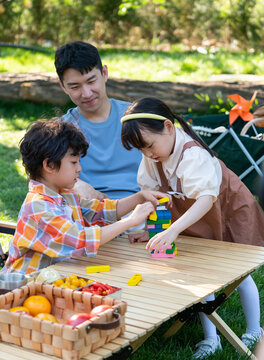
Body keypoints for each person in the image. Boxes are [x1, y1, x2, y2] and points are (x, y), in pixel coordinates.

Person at [120, 97, 264, 359]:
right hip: (196, 216)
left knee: (241, 273)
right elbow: (153, 196)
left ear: (168, 127)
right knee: (202, 275)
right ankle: (211, 338)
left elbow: (206, 199)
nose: (148, 154)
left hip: (227, 212)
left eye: (149, 146)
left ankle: (255, 329)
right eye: (141, 150)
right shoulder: (154, 157)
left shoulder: (192, 155)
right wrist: (150, 229)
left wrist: (173, 230)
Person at [2, 119, 169, 275]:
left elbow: (101, 212)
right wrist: (130, 221)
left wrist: (139, 197)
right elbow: (79, 240)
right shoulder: (38, 207)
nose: (79, 169)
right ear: (49, 165)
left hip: (57, 278)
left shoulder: (66, 195)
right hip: (24, 287)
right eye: (74, 162)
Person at [54, 40, 142, 202]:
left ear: (105, 73)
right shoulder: (60, 131)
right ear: (63, 86)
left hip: (143, 207)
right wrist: (75, 185)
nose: (86, 94)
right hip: (88, 213)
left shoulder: (137, 117)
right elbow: (43, 177)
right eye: (75, 87)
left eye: (91, 81)